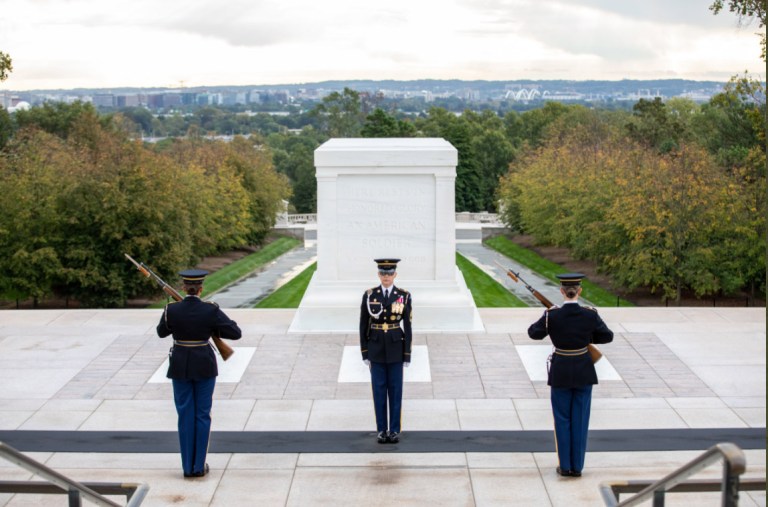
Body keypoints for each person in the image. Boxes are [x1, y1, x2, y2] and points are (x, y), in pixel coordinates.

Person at [156, 269, 242, 478]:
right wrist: (213, 327)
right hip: (204, 365)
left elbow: (161, 332)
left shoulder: (172, 309)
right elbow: (236, 333)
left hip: (180, 366)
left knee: (185, 414)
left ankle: (187, 467)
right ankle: (198, 466)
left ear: (183, 288)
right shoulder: (210, 310)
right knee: (202, 415)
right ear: (201, 289)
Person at [527, 273, 613, 478]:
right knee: (580, 419)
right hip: (583, 371)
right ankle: (578, 467)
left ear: (562, 291)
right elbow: (607, 336)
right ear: (579, 291)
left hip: (561, 372)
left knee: (562, 419)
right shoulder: (590, 315)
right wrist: (585, 336)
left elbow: (533, 333)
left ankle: (565, 466)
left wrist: (550, 320)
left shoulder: (552, 316)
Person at [359, 258, 412, 444]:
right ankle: (382, 429)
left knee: (396, 391)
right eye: (383, 273)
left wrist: (407, 354)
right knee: (379, 391)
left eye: (390, 274)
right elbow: (363, 325)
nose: (386, 277)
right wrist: (365, 352)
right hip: (376, 348)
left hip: (396, 348)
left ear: (395, 275)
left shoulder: (403, 296)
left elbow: (408, 326)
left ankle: (394, 430)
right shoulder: (369, 295)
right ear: (378, 274)